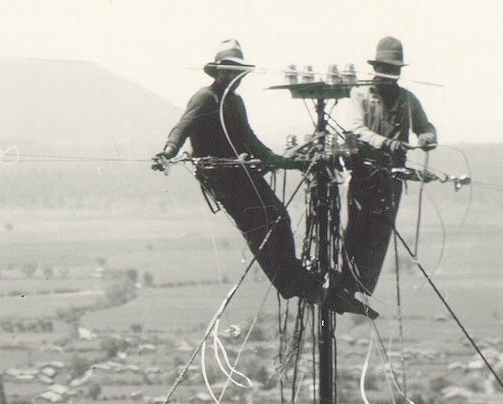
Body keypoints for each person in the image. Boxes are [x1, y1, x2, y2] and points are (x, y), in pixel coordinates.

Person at [154, 40, 374, 317]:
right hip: (223, 179)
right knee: (261, 229)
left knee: (279, 218)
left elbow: (250, 140)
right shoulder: (205, 98)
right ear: (219, 73)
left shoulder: (234, 102)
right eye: (230, 72)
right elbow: (182, 127)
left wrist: (282, 161)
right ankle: (294, 283)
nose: (235, 78)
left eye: (239, 73)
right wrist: (168, 152)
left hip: (242, 173)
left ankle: (297, 279)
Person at [341, 37, 438, 301]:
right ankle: (344, 284)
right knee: (357, 229)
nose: (389, 79)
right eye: (385, 73)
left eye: (393, 73)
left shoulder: (408, 100)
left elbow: (425, 126)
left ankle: (359, 292)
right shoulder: (360, 95)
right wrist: (386, 143)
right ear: (376, 70)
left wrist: (428, 137)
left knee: (380, 233)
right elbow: (356, 129)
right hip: (365, 175)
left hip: (392, 179)